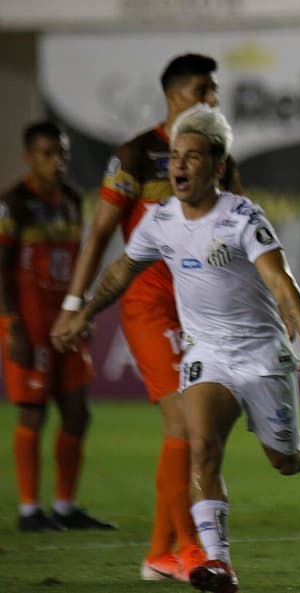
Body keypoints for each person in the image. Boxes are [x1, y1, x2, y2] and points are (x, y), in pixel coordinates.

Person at [52, 105, 300, 593]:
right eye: (174, 157)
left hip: (261, 354)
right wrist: (84, 310)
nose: (179, 166)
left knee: (283, 459)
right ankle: (218, 562)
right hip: (207, 353)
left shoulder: (243, 217)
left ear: (218, 167)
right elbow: (123, 269)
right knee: (202, 447)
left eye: (191, 156)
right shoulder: (161, 219)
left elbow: (281, 280)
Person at [50, 53, 241, 581]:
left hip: (200, 307)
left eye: (214, 90)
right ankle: (190, 549)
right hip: (148, 301)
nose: (213, 98)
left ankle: (160, 553)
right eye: (204, 89)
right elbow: (100, 232)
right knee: (184, 420)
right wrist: (74, 304)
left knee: (199, 429)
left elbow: (238, 228)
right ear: (173, 95)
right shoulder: (136, 154)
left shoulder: (219, 154)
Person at [1, 121, 116, 532]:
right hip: (29, 321)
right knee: (33, 411)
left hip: (64, 319)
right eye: (47, 154)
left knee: (77, 412)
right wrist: (12, 324)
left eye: (62, 153)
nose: (57, 162)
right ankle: (30, 509)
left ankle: (65, 506)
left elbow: (78, 260)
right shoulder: (13, 204)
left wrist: (81, 309)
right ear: (29, 157)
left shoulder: (70, 199)